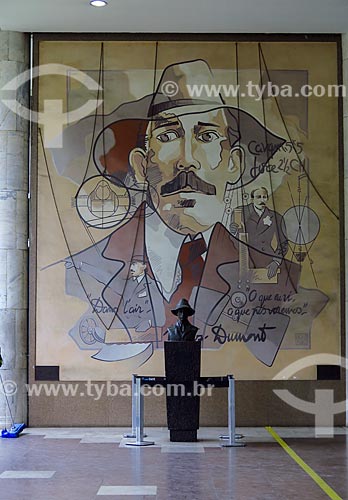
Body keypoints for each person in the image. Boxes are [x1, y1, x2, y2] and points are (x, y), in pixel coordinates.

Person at [53, 59, 326, 366]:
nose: (187, 161)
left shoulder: (282, 280)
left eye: (207, 137)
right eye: (168, 137)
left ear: (234, 164)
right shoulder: (81, 271)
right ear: (142, 166)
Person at [230, 186, 289, 279]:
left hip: (267, 261)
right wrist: (233, 232)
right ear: (252, 198)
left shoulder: (276, 217)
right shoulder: (239, 212)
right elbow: (232, 240)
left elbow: (284, 243)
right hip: (244, 259)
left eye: (264, 197)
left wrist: (276, 262)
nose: (262, 200)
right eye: (259, 197)